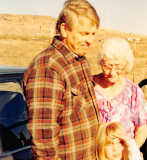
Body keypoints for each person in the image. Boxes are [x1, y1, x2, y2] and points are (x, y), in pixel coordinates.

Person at [22, 0, 100, 159]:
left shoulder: (80, 60)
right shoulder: (48, 69)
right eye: (84, 33)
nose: (90, 41)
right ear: (64, 29)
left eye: (93, 34)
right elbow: (44, 143)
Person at [93, 37, 147, 148]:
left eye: (118, 66)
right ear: (101, 63)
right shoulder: (89, 86)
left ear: (126, 64)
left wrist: (131, 152)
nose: (112, 72)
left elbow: (141, 130)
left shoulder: (134, 91)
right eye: (107, 66)